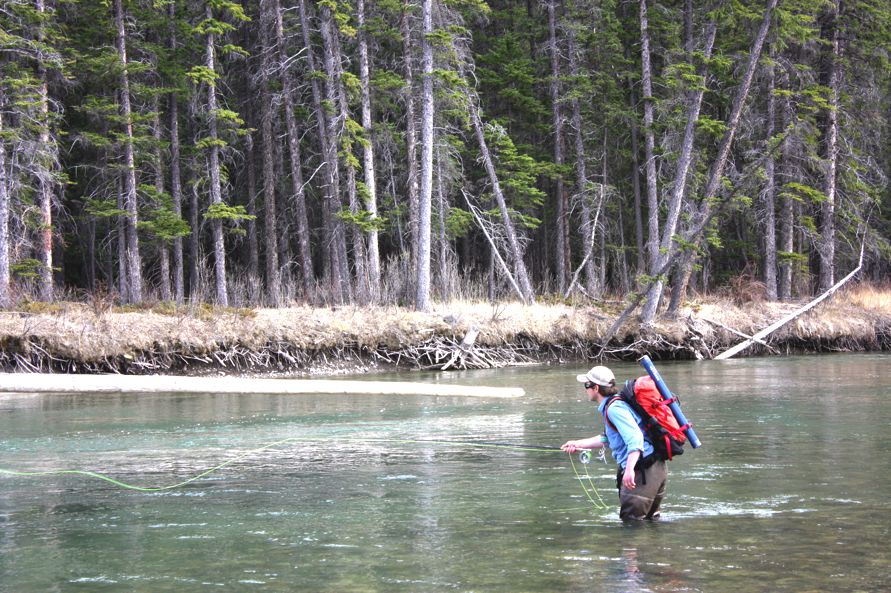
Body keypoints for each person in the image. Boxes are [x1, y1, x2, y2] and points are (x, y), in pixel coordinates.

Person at [561, 365, 667, 521]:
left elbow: (635, 437)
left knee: (631, 527)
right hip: (655, 469)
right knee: (651, 523)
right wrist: (577, 444)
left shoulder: (614, 409)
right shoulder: (616, 404)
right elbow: (608, 438)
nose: (586, 390)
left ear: (596, 388)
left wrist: (630, 470)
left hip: (642, 472)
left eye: (586, 385)